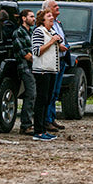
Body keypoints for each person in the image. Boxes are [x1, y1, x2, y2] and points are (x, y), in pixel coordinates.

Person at [31, 9, 62, 141]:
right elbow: (37, 51)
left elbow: (57, 42)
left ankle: (43, 129)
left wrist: (59, 43)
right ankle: (38, 131)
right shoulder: (39, 31)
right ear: (42, 20)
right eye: (48, 16)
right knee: (41, 100)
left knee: (48, 99)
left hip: (51, 70)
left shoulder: (51, 31)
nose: (51, 18)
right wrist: (51, 41)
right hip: (42, 70)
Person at [42, 0, 70, 132]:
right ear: (48, 9)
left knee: (56, 92)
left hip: (62, 60)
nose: (58, 8)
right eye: (55, 6)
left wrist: (66, 46)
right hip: (52, 61)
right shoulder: (45, 26)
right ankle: (46, 120)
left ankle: (51, 118)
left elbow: (63, 37)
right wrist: (59, 47)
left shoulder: (58, 23)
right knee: (50, 91)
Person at [12, 9, 36, 135]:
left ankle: (31, 123)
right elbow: (24, 54)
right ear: (24, 18)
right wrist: (37, 60)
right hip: (25, 67)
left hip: (33, 67)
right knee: (30, 94)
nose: (34, 18)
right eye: (31, 16)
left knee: (34, 94)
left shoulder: (32, 32)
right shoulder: (18, 33)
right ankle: (25, 124)